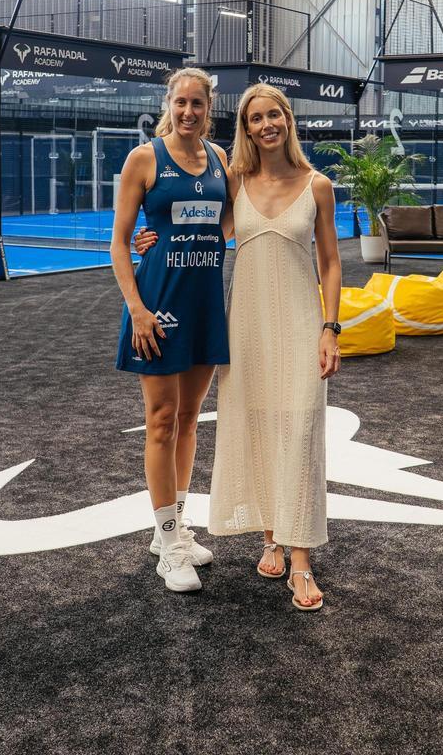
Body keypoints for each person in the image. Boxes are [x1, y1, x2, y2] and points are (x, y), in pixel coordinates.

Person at [135, 84, 342, 610]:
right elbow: (200, 220)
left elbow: (331, 262)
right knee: (258, 423)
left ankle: (300, 562)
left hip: (299, 322)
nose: (266, 124)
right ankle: (270, 536)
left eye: (274, 114)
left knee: (299, 427)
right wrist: (151, 236)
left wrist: (330, 327)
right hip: (244, 325)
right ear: (246, 128)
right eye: (256, 118)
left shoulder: (318, 186)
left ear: (288, 119)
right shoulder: (235, 180)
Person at [110, 67, 230, 594]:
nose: (188, 112)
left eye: (197, 104)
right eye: (180, 103)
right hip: (156, 306)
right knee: (160, 419)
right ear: (169, 104)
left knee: (188, 421)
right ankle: (168, 541)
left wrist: (175, 232)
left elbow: (226, 224)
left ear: (209, 107)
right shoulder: (144, 158)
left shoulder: (222, 159)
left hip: (204, 304)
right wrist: (136, 307)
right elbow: (117, 243)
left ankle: (174, 528)